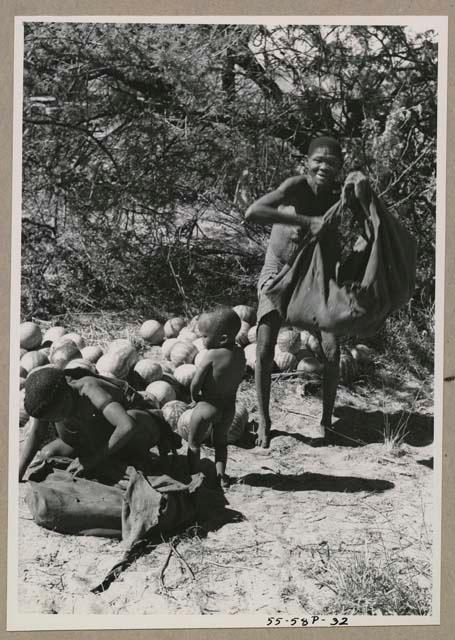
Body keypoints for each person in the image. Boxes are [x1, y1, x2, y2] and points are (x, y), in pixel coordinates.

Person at [245, 136, 370, 448]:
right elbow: (253, 212)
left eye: (331, 162)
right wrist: (304, 220)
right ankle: (264, 418)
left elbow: (368, 226)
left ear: (340, 165)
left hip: (318, 280)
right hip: (280, 272)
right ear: (307, 161)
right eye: (318, 160)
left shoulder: (340, 195)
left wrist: (357, 256)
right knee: (263, 347)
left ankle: (327, 420)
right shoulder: (295, 186)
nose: (323, 166)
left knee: (331, 351)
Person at [18, 366, 180, 482]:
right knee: (49, 455)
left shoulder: (89, 390)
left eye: (56, 416)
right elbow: (37, 434)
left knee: (133, 417)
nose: (53, 421)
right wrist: (19, 472)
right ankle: (111, 460)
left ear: (66, 397)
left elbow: (126, 426)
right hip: (92, 439)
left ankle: (134, 458)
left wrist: (94, 460)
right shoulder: (46, 401)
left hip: (131, 432)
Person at [187, 307, 246, 488]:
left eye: (204, 336)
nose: (202, 340)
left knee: (194, 444)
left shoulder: (211, 355)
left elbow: (196, 383)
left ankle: (194, 477)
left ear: (222, 339)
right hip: (229, 408)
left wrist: (194, 397)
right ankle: (221, 476)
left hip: (208, 405)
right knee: (221, 443)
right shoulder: (240, 353)